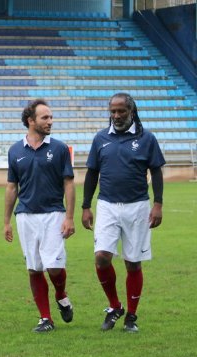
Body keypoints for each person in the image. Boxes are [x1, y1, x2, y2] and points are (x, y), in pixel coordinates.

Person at [81, 92, 165, 333]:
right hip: (107, 205)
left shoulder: (147, 138)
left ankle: (131, 316)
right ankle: (114, 305)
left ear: (131, 111)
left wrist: (158, 204)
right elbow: (91, 174)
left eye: (121, 111)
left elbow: (156, 172)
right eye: (113, 111)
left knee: (133, 263)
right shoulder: (100, 139)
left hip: (137, 206)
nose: (116, 116)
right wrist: (86, 206)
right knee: (101, 257)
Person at [4, 98, 76, 333]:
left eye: (51, 117)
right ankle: (45, 318)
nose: (50, 121)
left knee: (54, 267)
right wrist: (6, 221)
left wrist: (70, 217)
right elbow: (11, 187)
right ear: (30, 120)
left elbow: (69, 184)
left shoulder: (59, 148)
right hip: (25, 216)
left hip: (54, 214)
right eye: (45, 117)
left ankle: (62, 295)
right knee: (34, 268)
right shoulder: (15, 150)